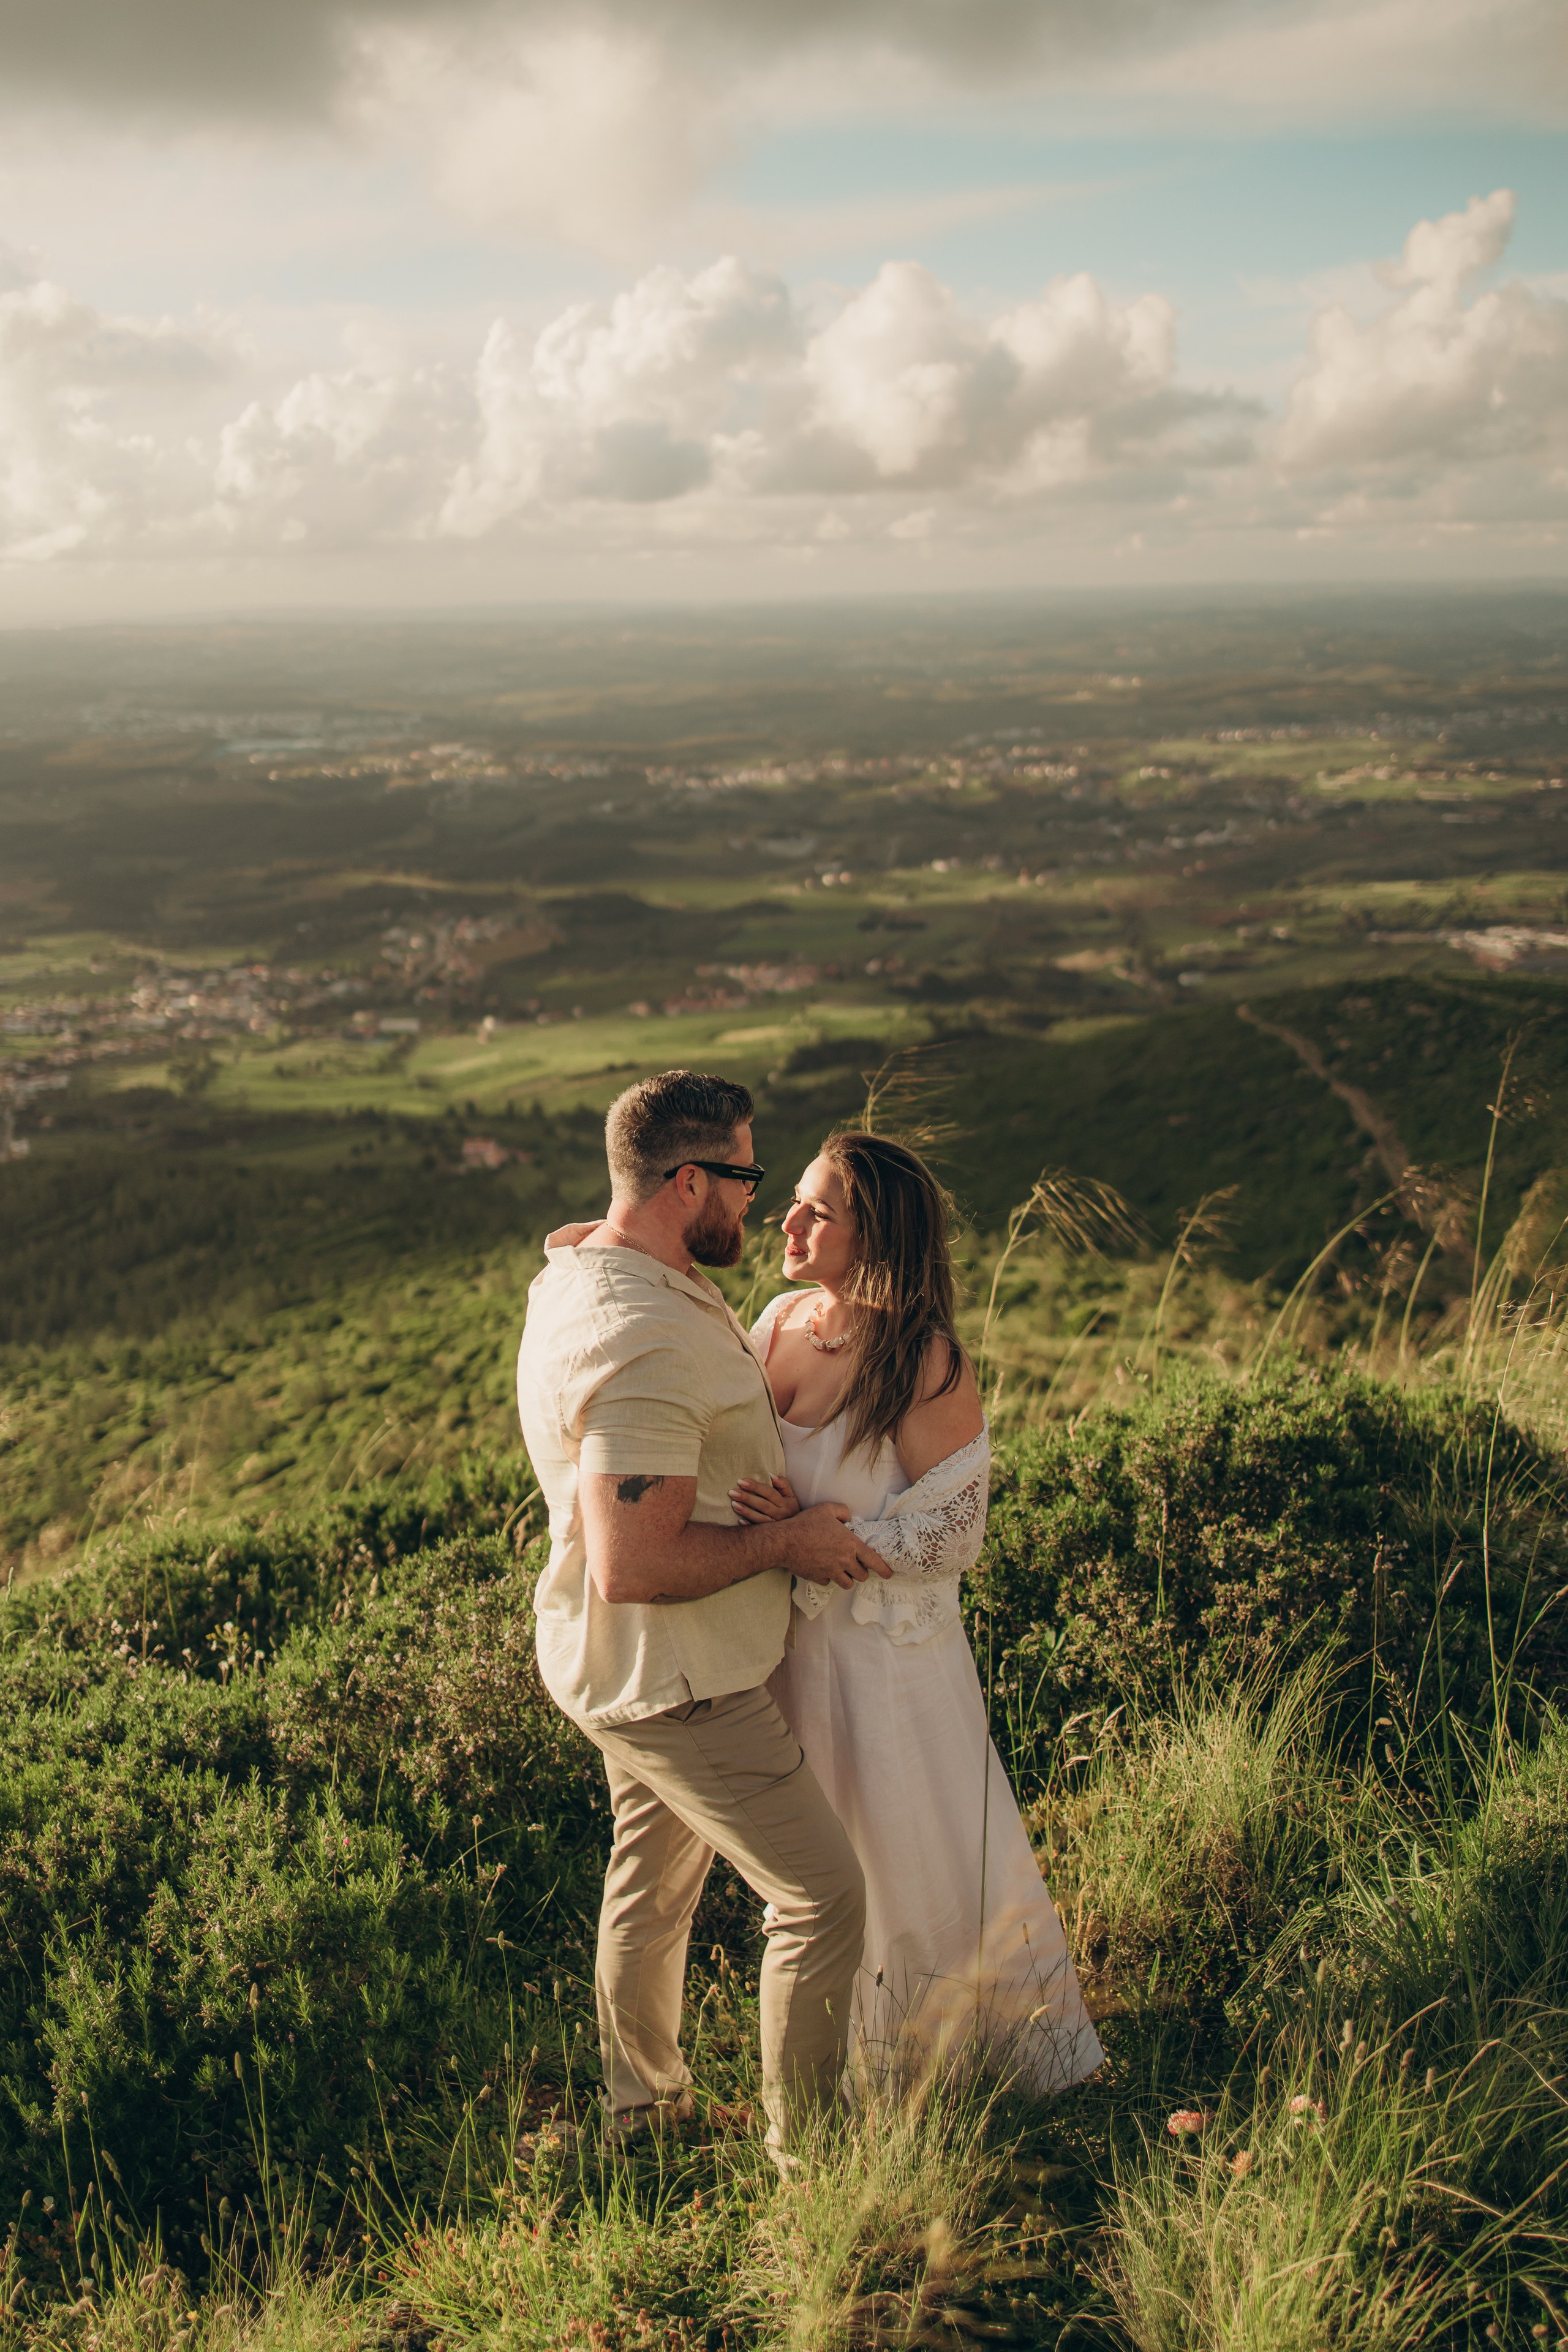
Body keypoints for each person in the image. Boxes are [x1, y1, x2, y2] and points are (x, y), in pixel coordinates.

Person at [515, 1069, 892, 2162]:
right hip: (676, 1677)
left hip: (617, 1666)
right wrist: (790, 1539)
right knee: (820, 1896)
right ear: (689, 1180)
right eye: (746, 1177)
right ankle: (812, 2160)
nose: (759, 1203)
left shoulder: (591, 1267)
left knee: (651, 1880)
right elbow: (633, 1565)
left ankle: (644, 2115)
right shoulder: (644, 1335)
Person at [729, 1131, 1104, 2097]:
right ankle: (833, 2066)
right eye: (794, 1201)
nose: (791, 1219)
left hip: (887, 1666)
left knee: (904, 1849)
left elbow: (955, 1531)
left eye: (819, 1210)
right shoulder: (774, 1322)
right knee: (817, 1871)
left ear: (876, 1233)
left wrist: (825, 1535)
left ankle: (939, 2067)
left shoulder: (923, 1358)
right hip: (789, 1652)